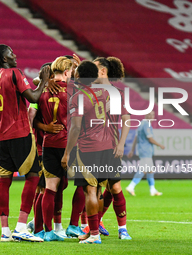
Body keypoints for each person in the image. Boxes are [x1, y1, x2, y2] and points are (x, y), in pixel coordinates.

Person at [0, 44, 50, 242]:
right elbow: (33, 97)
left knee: (5, 181)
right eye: (11, 53)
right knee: (33, 176)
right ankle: (21, 227)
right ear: (4, 59)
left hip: (1, 138)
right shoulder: (14, 73)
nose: (15, 55)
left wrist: (1, 114)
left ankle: (5, 232)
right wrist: (43, 81)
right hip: (20, 133)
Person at [61, 60, 104, 244]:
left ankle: (94, 234)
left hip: (88, 147)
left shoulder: (78, 97)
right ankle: (92, 231)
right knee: (98, 189)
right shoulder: (105, 94)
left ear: (79, 76)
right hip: (106, 146)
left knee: (90, 191)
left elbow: (75, 128)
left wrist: (67, 152)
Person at [91, 56, 132, 240]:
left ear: (102, 71)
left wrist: (122, 143)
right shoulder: (89, 91)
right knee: (96, 189)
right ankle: (95, 223)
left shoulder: (115, 93)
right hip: (93, 147)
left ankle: (122, 229)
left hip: (111, 147)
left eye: (94, 68)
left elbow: (126, 120)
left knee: (115, 187)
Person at [36, 56, 72, 241]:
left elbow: (33, 117)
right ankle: (74, 225)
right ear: (67, 72)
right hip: (67, 144)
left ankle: (48, 231)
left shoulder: (42, 90)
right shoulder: (73, 91)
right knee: (83, 186)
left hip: (48, 143)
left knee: (50, 188)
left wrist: (46, 81)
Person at [126, 111, 165, 196]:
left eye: (153, 114)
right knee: (143, 170)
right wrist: (160, 145)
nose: (151, 116)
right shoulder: (146, 124)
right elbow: (150, 139)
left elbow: (136, 138)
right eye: (149, 114)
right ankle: (131, 186)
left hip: (142, 150)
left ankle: (153, 190)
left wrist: (132, 150)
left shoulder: (140, 124)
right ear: (146, 115)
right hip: (145, 151)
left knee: (150, 170)